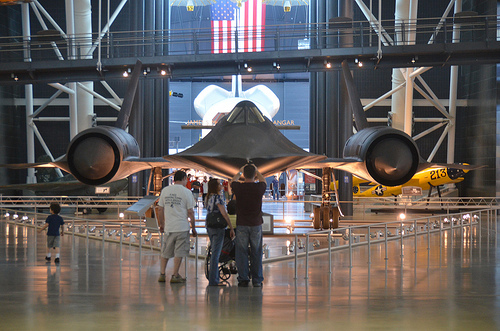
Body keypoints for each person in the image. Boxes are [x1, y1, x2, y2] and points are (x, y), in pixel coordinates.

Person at [156, 170, 197, 284]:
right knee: (179, 252)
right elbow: (190, 212)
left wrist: (162, 224)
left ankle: (162, 274)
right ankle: (175, 275)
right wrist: (193, 227)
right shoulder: (187, 192)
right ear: (184, 178)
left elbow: (160, 209)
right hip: (182, 227)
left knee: (166, 251)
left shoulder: (165, 190)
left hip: (169, 227)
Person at [231, 163, 267, 287]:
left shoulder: (239, 188)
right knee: (256, 251)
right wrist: (258, 171)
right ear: (254, 175)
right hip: (256, 223)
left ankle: (243, 279)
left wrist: (240, 171)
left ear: (244, 175)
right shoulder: (259, 188)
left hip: (242, 223)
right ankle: (257, 280)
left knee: (241, 252)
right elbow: (264, 181)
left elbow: (232, 181)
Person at [205, 178, 235, 286]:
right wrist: (230, 227)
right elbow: (223, 213)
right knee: (216, 254)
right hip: (218, 227)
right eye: (219, 184)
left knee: (214, 250)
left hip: (209, 225)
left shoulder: (208, 197)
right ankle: (214, 280)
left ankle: (213, 278)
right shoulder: (218, 197)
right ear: (216, 186)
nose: (222, 185)